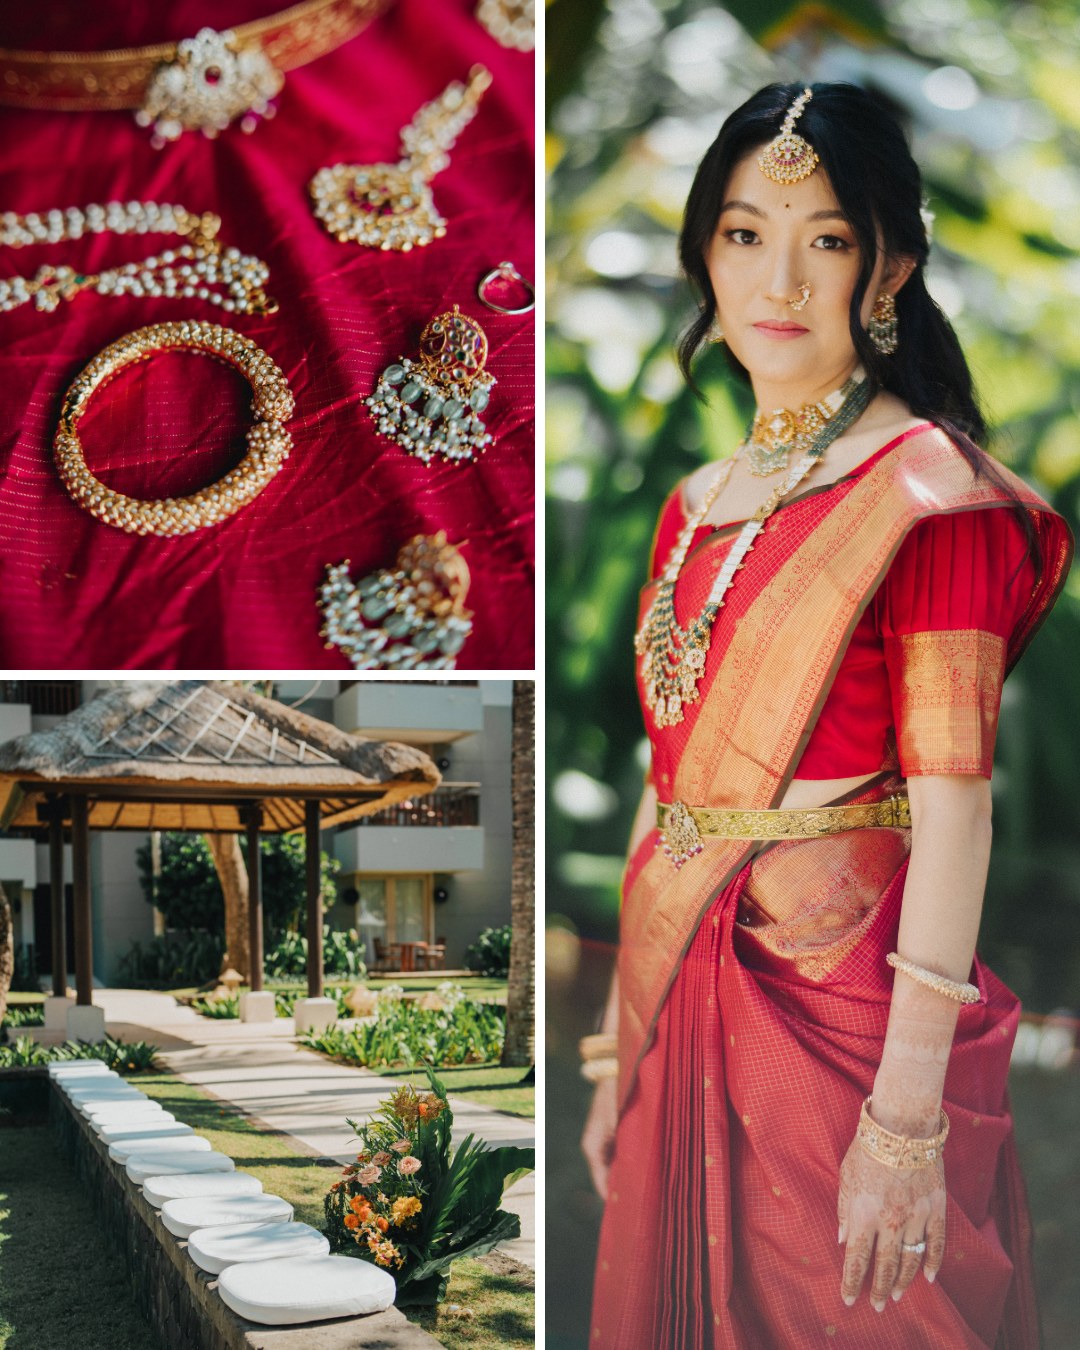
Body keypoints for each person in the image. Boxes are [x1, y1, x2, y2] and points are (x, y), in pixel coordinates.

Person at [579, 81, 1072, 1349]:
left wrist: (904, 1120)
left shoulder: (932, 500)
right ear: (704, 253)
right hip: (676, 982)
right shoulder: (695, 503)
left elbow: (957, 813)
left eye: (829, 239)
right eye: (745, 234)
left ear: (890, 266)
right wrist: (616, 1046)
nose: (780, 281)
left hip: (843, 1013)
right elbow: (671, 778)